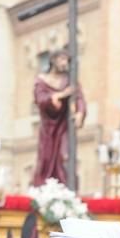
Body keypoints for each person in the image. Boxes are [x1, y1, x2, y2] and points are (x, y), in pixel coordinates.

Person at [32, 48, 86, 186]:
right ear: (53, 60)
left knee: (65, 157)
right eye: (61, 59)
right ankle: (45, 190)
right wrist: (58, 96)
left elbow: (79, 97)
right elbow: (40, 99)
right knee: (46, 159)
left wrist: (80, 113)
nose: (64, 63)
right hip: (48, 127)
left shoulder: (69, 81)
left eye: (66, 60)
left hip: (64, 125)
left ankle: (66, 191)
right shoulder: (42, 80)